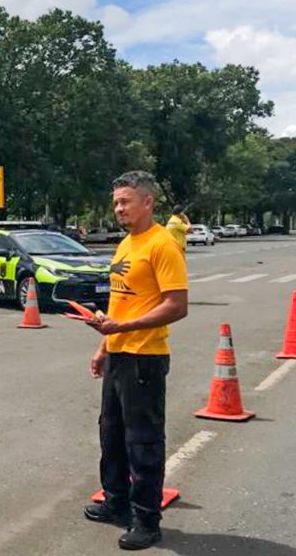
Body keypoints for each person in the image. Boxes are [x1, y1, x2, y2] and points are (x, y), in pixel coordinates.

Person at [83, 171, 188, 550]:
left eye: (125, 201)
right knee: (110, 433)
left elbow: (177, 306)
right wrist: (103, 347)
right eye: (115, 203)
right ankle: (116, 502)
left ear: (148, 202)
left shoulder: (163, 245)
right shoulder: (127, 244)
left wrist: (123, 325)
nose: (118, 209)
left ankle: (146, 520)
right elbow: (120, 302)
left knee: (142, 441)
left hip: (145, 357)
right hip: (119, 354)